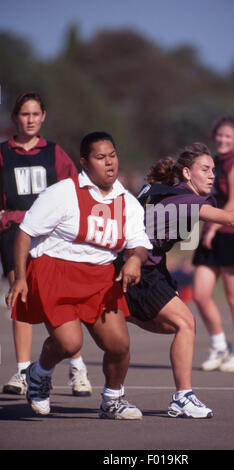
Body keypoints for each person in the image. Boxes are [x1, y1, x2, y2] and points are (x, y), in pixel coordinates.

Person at [121, 143, 234, 419]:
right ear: (187, 173)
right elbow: (232, 218)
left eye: (213, 169)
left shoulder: (159, 189)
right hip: (141, 268)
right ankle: (182, 397)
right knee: (185, 323)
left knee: (170, 326)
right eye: (205, 169)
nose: (212, 175)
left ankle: (113, 315)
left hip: (142, 264)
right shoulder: (187, 200)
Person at [6, 131, 152, 419]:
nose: (109, 163)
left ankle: (112, 400)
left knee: (119, 345)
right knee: (69, 344)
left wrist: (134, 260)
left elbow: (139, 244)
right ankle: (39, 374)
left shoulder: (127, 201)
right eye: (100, 158)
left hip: (99, 279)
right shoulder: (62, 193)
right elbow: (25, 234)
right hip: (56, 273)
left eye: (112, 155)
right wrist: (21, 278)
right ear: (85, 162)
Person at [1, 92, 92, 397]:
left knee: (59, 299)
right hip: (13, 231)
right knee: (21, 298)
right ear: (16, 117)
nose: (29, 119)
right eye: (24, 114)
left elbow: (76, 188)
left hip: (50, 234)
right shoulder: (3, 153)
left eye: (35, 114)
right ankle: (24, 370)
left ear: (43, 117)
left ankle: (78, 367)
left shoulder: (53, 152)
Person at [192, 116, 234, 372]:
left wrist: (212, 230)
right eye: (219, 135)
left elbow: (233, 204)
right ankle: (220, 345)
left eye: (228, 136)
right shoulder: (215, 163)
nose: (223, 139)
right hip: (214, 232)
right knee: (200, 294)